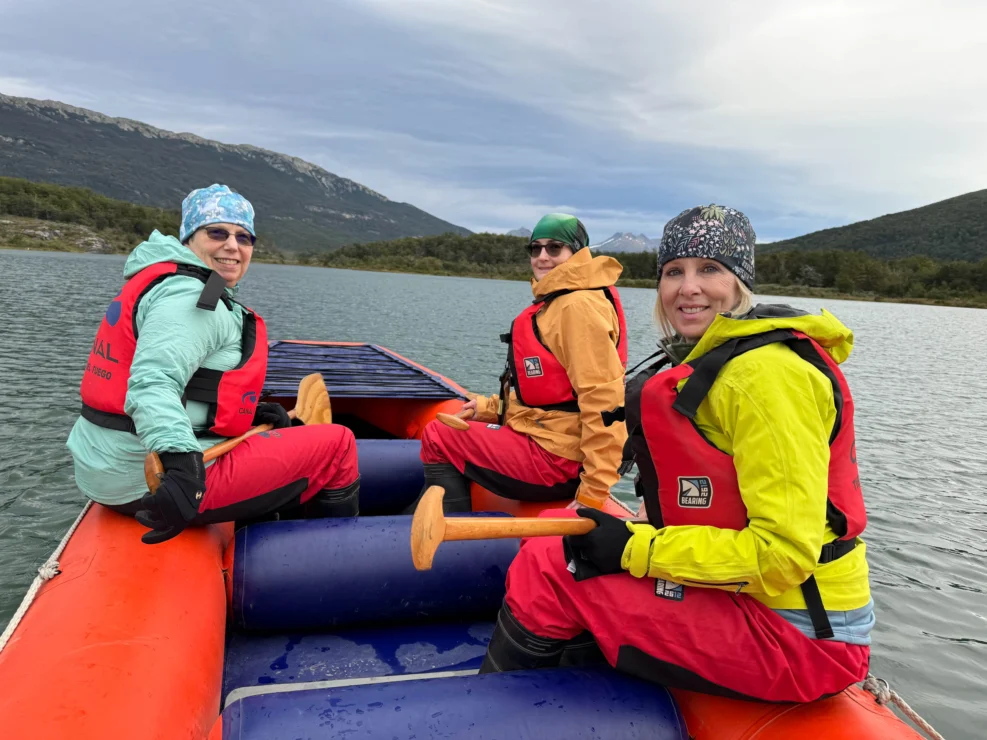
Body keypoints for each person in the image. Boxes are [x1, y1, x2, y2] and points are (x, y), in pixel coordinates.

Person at [479, 204, 873, 703]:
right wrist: (635, 539)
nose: (688, 288)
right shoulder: (723, 363)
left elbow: (782, 557)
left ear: (739, 283)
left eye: (710, 269)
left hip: (799, 635)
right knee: (562, 541)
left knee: (549, 569)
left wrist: (633, 549)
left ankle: (488, 711)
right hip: (757, 601)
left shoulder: (767, 378)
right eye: (673, 272)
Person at [67, 184, 359, 544]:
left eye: (244, 237)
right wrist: (181, 466)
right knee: (339, 443)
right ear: (190, 238)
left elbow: (189, 382)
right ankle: (336, 556)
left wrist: (247, 415)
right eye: (217, 232)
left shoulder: (168, 283)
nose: (232, 246)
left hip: (106, 466)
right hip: (146, 476)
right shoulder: (192, 298)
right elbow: (152, 382)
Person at [408, 213, 628, 513]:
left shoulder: (577, 307)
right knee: (447, 430)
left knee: (438, 435)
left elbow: (605, 402)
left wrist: (594, 489)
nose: (542, 257)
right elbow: (553, 395)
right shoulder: (562, 299)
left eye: (554, 248)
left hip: (558, 460)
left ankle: (447, 536)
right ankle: (430, 515)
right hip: (551, 440)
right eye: (535, 248)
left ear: (576, 253)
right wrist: (490, 408)